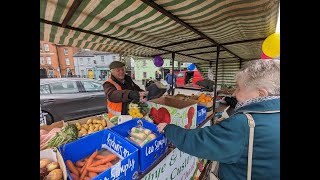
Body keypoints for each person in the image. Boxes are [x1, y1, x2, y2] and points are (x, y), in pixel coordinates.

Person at [157, 59, 280, 180]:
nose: (234, 94)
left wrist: (169, 128)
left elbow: (199, 142)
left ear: (261, 94)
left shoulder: (244, 123)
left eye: (239, 88)